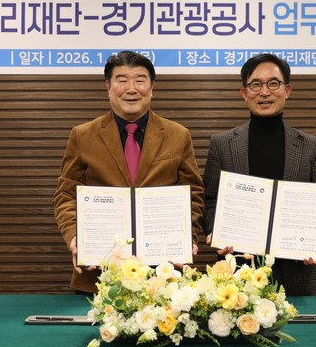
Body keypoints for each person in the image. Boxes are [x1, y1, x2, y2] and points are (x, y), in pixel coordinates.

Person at [53, 50, 205, 294]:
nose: (131, 89)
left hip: (163, 275)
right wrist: (74, 237)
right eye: (122, 80)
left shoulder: (178, 135)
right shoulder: (82, 135)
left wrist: (189, 237)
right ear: (108, 87)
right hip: (99, 276)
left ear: (152, 87)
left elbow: (194, 194)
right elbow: (66, 195)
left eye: (140, 80)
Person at [203, 53, 316, 296]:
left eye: (273, 83)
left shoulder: (311, 146)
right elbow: (210, 198)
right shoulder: (222, 144)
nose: (264, 92)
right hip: (237, 273)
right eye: (256, 84)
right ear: (244, 93)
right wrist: (216, 233)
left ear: (287, 90)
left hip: (297, 271)